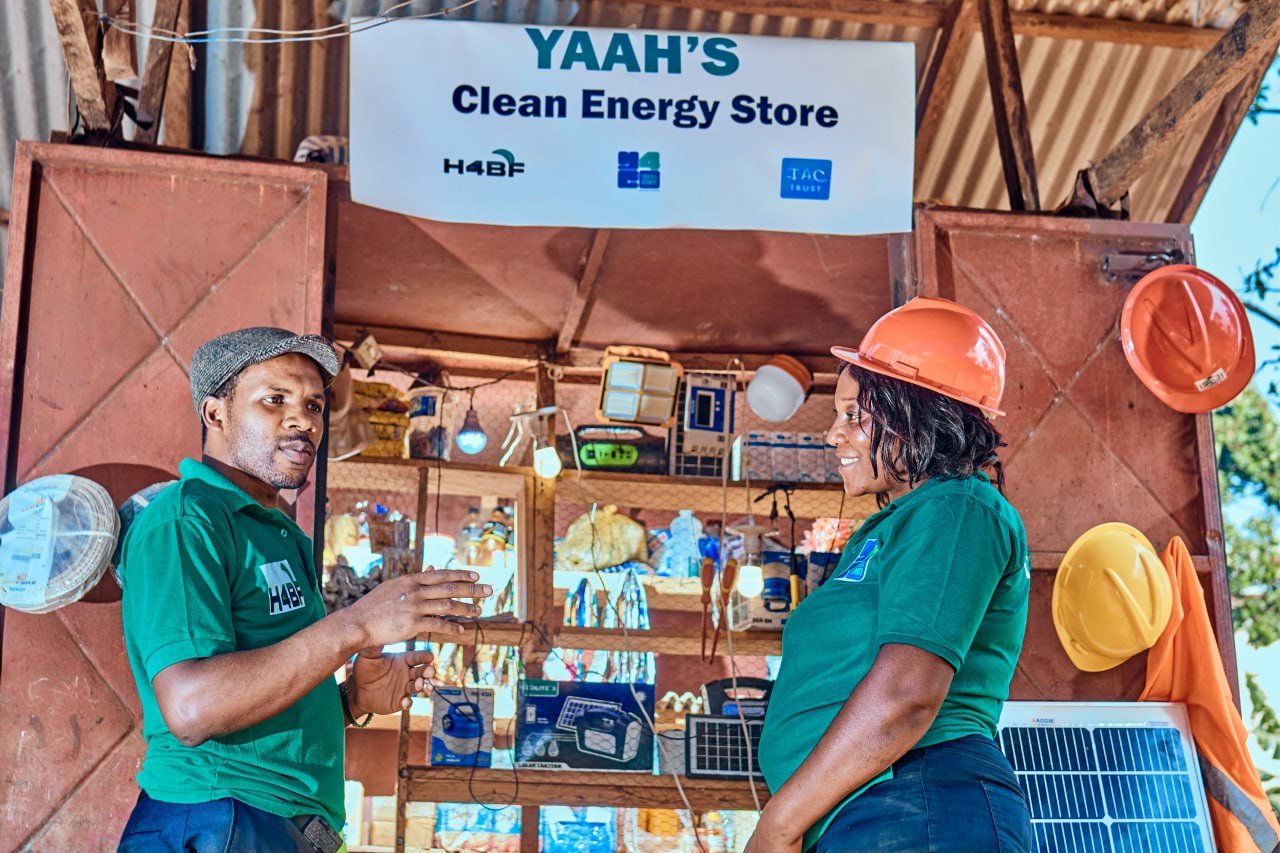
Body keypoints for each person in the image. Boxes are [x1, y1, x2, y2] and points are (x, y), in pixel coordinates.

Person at [118, 327, 491, 852]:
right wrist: (356, 624)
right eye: (275, 400)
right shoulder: (186, 520)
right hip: (219, 814)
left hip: (277, 826)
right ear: (215, 414)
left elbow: (265, 696)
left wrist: (352, 701)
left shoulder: (281, 533)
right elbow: (193, 708)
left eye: (313, 405)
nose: (303, 421)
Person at [747, 298, 1033, 853]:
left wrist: (777, 825)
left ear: (916, 413)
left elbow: (907, 693)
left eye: (853, 415)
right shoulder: (897, 524)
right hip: (875, 810)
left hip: (917, 804)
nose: (833, 434)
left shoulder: (957, 508)